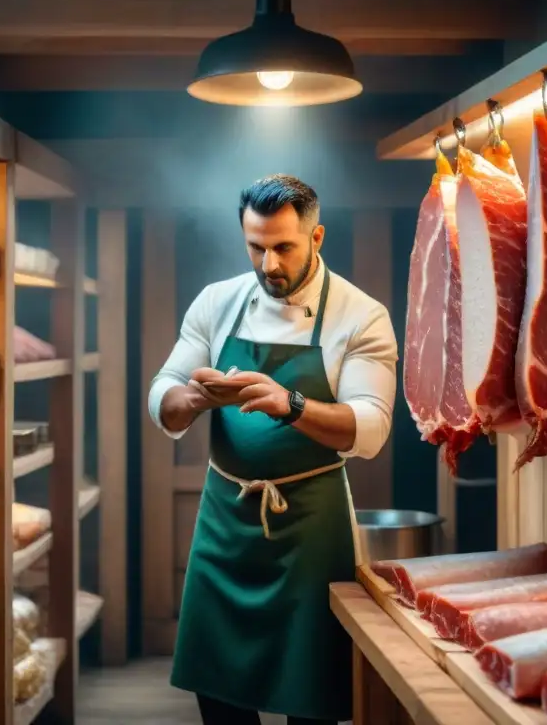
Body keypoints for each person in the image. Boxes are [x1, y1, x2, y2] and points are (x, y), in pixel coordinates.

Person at [147, 174, 397, 724]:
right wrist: (190, 398)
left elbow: (371, 429)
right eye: (255, 247)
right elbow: (161, 392)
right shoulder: (217, 303)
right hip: (225, 519)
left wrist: (293, 405)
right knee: (218, 694)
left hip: (310, 526)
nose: (268, 265)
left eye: (283, 247)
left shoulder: (361, 316)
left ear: (317, 237)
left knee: (311, 697)